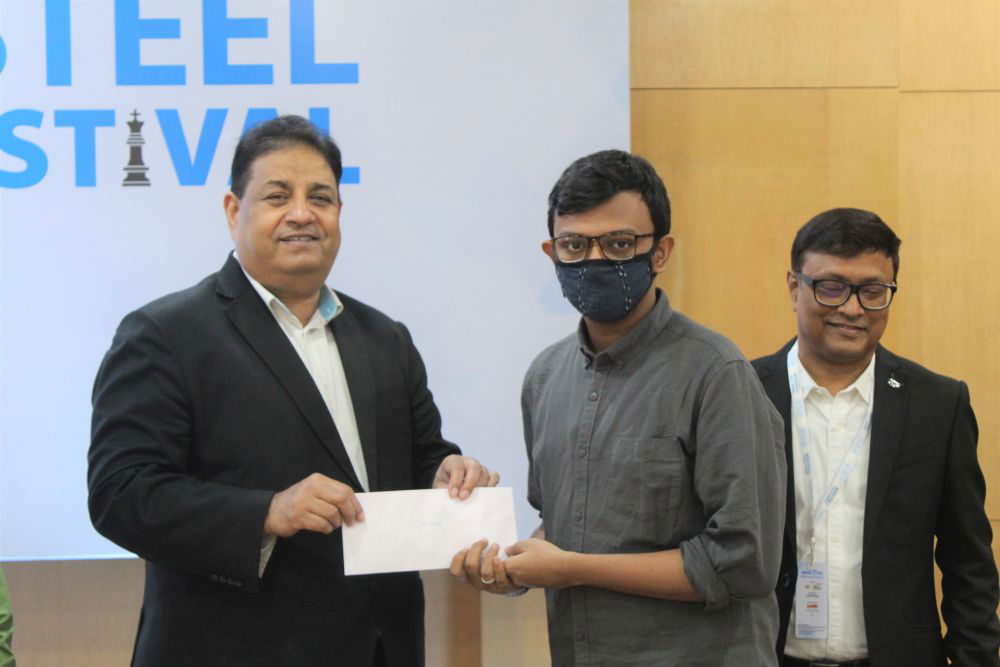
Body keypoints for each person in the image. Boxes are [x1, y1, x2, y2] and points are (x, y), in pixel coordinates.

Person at [88, 115, 497, 666]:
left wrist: (446, 473)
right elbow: (121, 495)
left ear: (339, 213)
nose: (302, 214)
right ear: (234, 211)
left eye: (320, 198)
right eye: (278, 196)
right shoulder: (165, 334)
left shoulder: (386, 338)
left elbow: (421, 455)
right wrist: (268, 511)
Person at [451, 150, 787, 665]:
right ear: (551, 252)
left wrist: (572, 568)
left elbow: (743, 562)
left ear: (661, 251)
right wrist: (513, 570)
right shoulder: (544, 377)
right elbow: (559, 528)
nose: (594, 261)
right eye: (574, 245)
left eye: (619, 244)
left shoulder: (716, 372)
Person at [752, 208, 1000, 666]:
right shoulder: (741, 394)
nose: (852, 308)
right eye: (831, 287)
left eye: (872, 292)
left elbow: (969, 562)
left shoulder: (937, 405)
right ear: (794, 287)